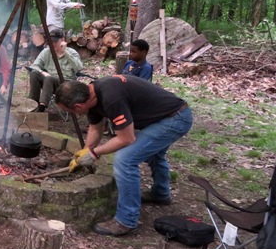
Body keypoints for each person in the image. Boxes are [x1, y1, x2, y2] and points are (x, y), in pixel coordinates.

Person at [55, 76, 193, 237]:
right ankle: (161, 194)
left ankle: (126, 220)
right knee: (152, 153)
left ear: (78, 106)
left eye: (69, 111)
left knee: (125, 160)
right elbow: (95, 128)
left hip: (175, 118)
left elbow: (127, 138)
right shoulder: (91, 94)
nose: (72, 115)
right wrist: (86, 150)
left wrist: (94, 153)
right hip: (160, 116)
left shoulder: (111, 98)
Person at [28, 30, 83, 112]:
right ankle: (32, 104)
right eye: (50, 41)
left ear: (62, 40)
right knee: (34, 73)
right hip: (49, 83)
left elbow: (79, 68)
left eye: (55, 41)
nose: (52, 44)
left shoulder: (72, 53)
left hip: (66, 84)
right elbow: (35, 66)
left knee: (49, 79)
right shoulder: (46, 52)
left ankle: (41, 108)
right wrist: (43, 72)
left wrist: (65, 53)